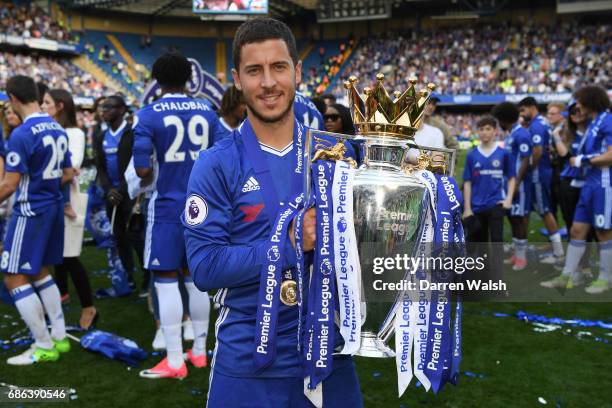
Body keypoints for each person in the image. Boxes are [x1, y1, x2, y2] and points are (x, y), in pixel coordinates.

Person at [184, 17, 362, 406]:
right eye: (254, 70)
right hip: (248, 358)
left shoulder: (339, 155)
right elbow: (205, 267)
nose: (268, 83)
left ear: (297, 72)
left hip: (331, 354)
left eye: (278, 67)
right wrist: (291, 242)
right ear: (237, 79)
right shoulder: (215, 164)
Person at [135, 51, 229, 379]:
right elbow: (224, 155)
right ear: (189, 78)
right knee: (194, 281)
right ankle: (200, 352)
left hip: (166, 206)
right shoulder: (207, 109)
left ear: (157, 79)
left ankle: (175, 360)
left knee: (165, 281)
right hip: (202, 207)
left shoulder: (148, 115)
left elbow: (143, 167)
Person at [0, 75, 72, 365]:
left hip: (30, 210)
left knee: (13, 275)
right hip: (53, 207)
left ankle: (43, 344)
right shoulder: (57, 127)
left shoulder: (21, 134)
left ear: (14, 99)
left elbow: (9, 185)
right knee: (41, 271)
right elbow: (68, 173)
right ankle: (60, 335)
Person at [541, 86, 612, 293]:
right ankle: (568, 276)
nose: (577, 106)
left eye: (580, 101)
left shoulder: (607, 120)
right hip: (589, 184)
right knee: (576, 230)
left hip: (603, 183)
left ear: (590, 100)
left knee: (603, 231)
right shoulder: (594, 123)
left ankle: (606, 278)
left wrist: (583, 159)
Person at [42, 89, 97, 330]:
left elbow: (69, 169)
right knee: (57, 255)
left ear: (60, 105)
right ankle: (61, 293)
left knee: (70, 256)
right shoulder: (50, 130)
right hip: (51, 199)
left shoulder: (73, 132)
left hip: (67, 201)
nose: (43, 106)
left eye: (47, 102)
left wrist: (41, 179)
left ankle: (89, 307)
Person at [93, 95, 146, 293]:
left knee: (136, 236)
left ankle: (147, 275)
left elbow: (137, 165)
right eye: (103, 107)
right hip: (111, 195)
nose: (104, 110)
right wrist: (109, 190)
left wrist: (121, 189)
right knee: (119, 236)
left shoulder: (132, 133)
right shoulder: (100, 136)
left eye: (109, 107)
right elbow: (100, 166)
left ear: (122, 110)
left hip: (131, 194)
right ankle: (129, 276)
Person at [518, 97, 564, 266]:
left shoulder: (536, 125)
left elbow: (537, 150)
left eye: (523, 110)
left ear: (531, 107)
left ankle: (558, 253)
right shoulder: (542, 123)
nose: (522, 114)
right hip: (546, 171)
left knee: (544, 210)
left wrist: (529, 167)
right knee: (544, 208)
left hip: (538, 173)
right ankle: (551, 247)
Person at [492, 102, 532, 271]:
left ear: (503, 119)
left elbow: (526, 160)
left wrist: (516, 183)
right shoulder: (511, 134)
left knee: (519, 220)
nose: (498, 124)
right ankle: (517, 253)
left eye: (498, 120)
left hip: (519, 186)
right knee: (513, 219)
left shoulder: (521, 134)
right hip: (509, 184)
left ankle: (522, 258)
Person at [463, 115, 515, 242]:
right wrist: (467, 208)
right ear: (477, 132)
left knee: (497, 241)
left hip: (496, 204)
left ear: (495, 131)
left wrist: (508, 199)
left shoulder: (503, 154)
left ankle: (497, 263)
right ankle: (484, 263)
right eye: (481, 129)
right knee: (480, 244)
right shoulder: (472, 155)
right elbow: (467, 182)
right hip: (476, 206)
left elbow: (512, 178)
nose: (484, 132)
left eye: (488, 129)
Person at [547, 102, 566, 223]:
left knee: (567, 209)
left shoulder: (566, 130)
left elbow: (564, 153)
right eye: (548, 113)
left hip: (564, 174)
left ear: (562, 115)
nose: (549, 116)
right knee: (552, 206)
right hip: (556, 172)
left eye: (552, 113)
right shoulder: (554, 129)